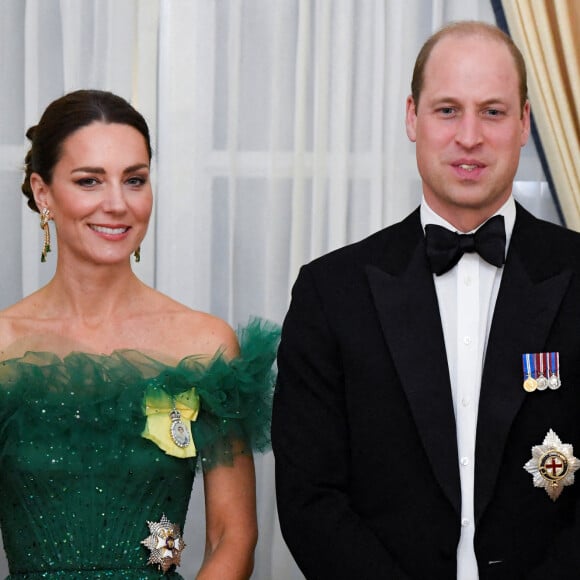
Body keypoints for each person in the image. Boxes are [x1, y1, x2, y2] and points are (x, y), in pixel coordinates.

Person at [272, 20, 580, 579]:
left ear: (525, 123)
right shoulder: (330, 293)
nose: (469, 136)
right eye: (446, 110)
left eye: (492, 111)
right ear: (412, 117)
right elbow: (309, 498)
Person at [0, 89, 279, 579]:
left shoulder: (201, 346)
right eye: (89, 181)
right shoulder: (4, 344)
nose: (116, 204)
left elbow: (231, 536)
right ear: (43, 193)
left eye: (135, 180)